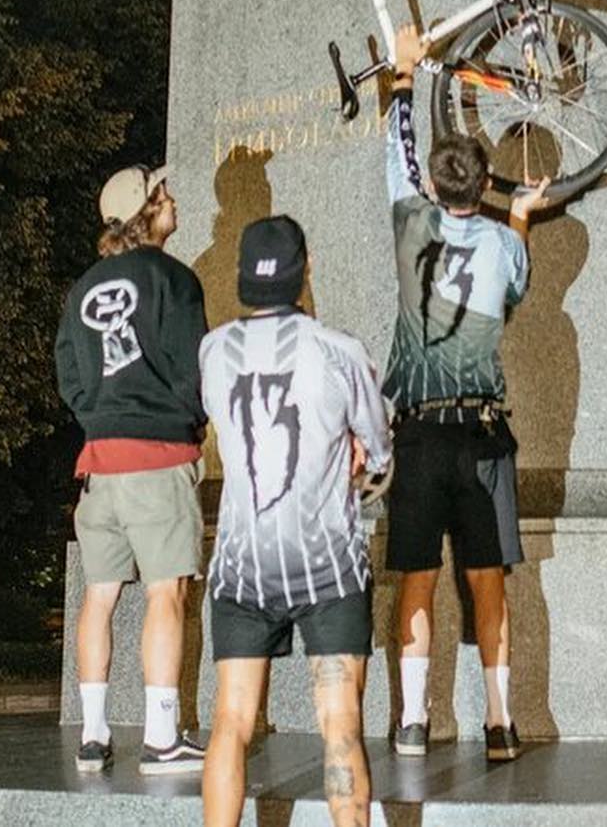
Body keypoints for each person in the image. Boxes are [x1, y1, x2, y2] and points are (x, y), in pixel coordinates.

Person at [383, 24, 550, 761]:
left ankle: (414, 721)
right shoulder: (501, 243)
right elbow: (515, 283)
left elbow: (398, 147)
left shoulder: (408, 221)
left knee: (415, 578)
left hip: (417, 435)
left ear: (431, 186)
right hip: (481, 436)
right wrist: (520, 211)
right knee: (488, 582)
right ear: (480, 187)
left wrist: (402, 73)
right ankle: (498, 720)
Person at [200, 215, 392, 827]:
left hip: (241, 567)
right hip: (326, 565)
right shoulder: (340, 352)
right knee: (340, 728)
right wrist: (358, 458)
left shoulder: (213, 351)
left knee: (230, 721)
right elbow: (379, 449)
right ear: (306, 271)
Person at [54, 163, 208, 775]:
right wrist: (184, 418)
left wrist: (99, 414)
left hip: (99, 462)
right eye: (163, 194)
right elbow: (195, 368)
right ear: (147, 212)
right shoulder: (174, 278)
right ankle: (162, 737)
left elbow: (69, 373)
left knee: (99, 596)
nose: (172, 199)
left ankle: (93, 736)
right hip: (156, 455)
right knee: (165, 592)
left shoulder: (82, 288)